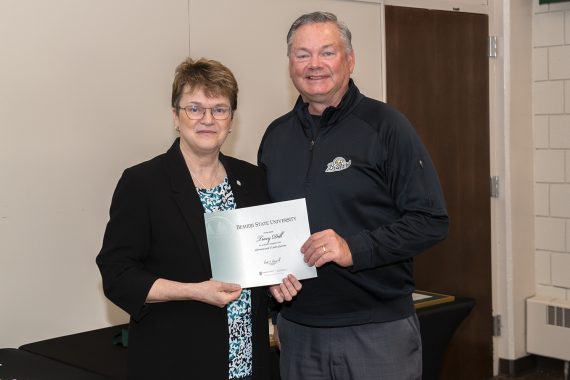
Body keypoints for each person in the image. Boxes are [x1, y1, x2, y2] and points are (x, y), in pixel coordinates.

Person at [258, 11, 450, 380]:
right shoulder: (275, 137)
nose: (314, 65)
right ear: (289, 64)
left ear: (350, 60)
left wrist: (353, 249)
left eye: (327, 52)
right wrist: (275, 307)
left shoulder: (386, 126)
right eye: (302, 54)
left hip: (377, 332)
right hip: (299, 332)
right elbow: (267, 228)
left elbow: (431, 220)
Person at [96, 57, 276, 380]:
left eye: (219, 109)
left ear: (231, 119)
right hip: (176, 362)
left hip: (249, 365)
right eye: (194, 108)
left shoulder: (251, 180)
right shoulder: (143, 183)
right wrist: (194, 291)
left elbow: (260, 260)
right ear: (175, 117)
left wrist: (277, 278)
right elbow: (117, 275)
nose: (208, 119)